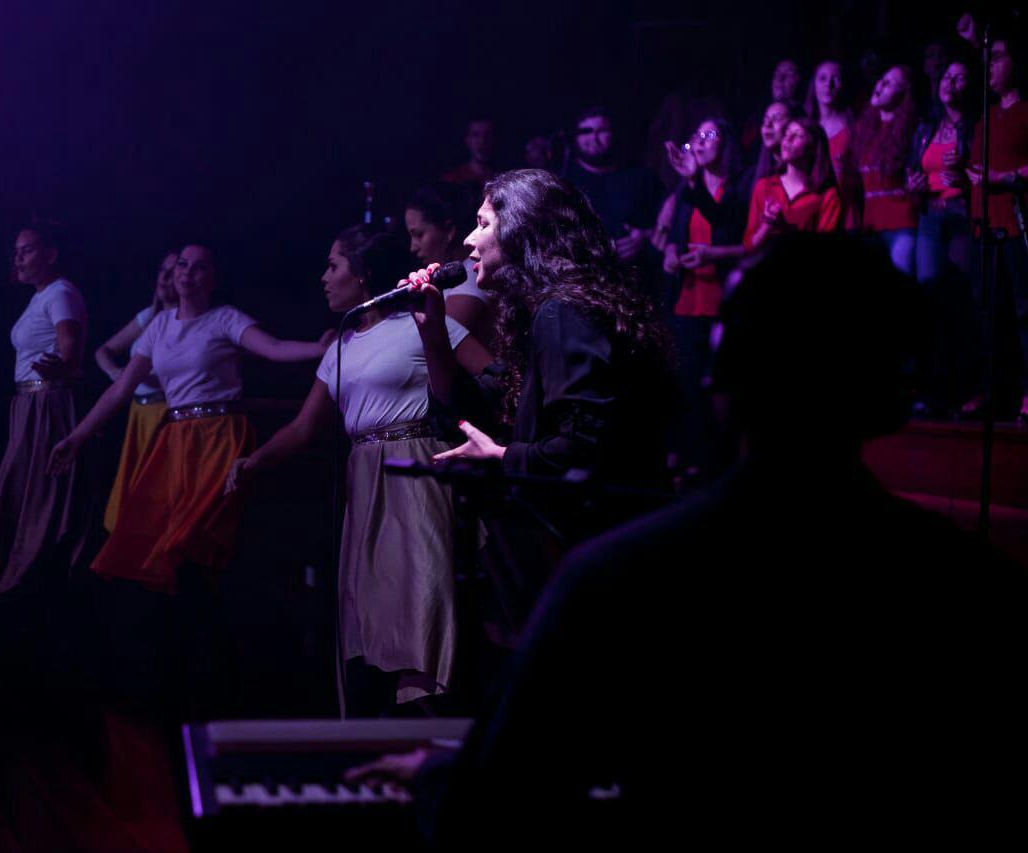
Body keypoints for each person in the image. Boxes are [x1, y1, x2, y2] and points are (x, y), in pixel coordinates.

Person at [352, 234, 1028, 849]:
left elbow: (510, 794)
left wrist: (438, 777)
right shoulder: (975, 587)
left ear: (722, 383)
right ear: (892, 398)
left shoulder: (620, 578)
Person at [225, 226, 492, 715]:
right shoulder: (342, 345)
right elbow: (304, 427)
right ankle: (387, 729)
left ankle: (439, 724)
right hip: (365, 477)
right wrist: (253, 462)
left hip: (416, 466)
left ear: (363, 274)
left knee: (424, 598)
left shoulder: (419, 323)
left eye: (334, 266)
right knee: (374, 612)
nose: (324, 278)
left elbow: (493, 377)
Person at [401, 169, 673, 632]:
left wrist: (501, 457)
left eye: (483, 224)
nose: (468, 240)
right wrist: (433, 333)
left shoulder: (562, 312)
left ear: (524, 231)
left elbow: (584, 446)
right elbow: (476, 407)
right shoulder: (545, 313)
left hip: (593, 554)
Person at [48, 244, 332, 593]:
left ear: (212, 279)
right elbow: (121, 389)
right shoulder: (159, 325)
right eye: (182, 265)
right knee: (164, 542)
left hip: (219, 436)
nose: (186, 273)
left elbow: (273, 348)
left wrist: (320, 348)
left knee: (198, 538)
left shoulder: (224, 318)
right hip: (176, 439)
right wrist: (77, 437)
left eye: (198, 268)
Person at [0, 222, 95, 600]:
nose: (19, 258)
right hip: (28, 403)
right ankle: (13, 573)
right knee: (21, 484)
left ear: (50, 254)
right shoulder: (40, 297)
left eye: (26, 250)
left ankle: (33, 577)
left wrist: (63, 366)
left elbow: (70, 350)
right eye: (16, 252)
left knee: (39, 490)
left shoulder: (61, 294)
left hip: (47, 403)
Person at [662, 118, 750, 479]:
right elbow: (675, 235)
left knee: (719, 389)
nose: (700, 140)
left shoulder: (739, 188)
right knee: (685, 383)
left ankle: (716, 463)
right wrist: (670, 252)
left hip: (721, 300)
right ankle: (687, 457)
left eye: (709, 134)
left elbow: (728, 227)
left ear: (726, 143)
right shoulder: (686, 190)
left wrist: (713, 255)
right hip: (687, 297)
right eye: (696, 134)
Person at [909, 59, 978, 413]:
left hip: (961, 214)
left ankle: (965, 388)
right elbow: (913, 169)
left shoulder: (975, 126)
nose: (950, 82)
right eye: (947, 76)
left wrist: (964, 179)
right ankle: (933, 389)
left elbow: (982, 170)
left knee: (959, 299)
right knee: (929, 299)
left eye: (959, 77)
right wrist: (913, 184)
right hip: (930, 216)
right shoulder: (926, 127)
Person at [95, 250, 178, 532]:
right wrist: (117, 374)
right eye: (162, 270)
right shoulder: (148, 316)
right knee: (132, 491)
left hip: (165, 413)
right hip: (139, 412)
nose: (164, 278)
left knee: (158, 490)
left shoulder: (185, 321)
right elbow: (103, 350)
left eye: (172, 271)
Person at [968, 29, 1028, 420]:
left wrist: (1005, 178)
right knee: (989, 314)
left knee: (1024, 310)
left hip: (1017, 226)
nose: (991, 64)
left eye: (1000, 56)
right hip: (984, 227)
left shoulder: (1025, 111)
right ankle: (994, 391)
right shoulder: (984, 119)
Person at [561, 107, 664, 266]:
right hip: (582, 273)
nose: (594, 138)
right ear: (575, 137)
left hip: (636, 272)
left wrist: (645, 237)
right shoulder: (562, 182)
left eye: (601, 131)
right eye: (586, 131)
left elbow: (669, 224)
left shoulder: (642, 178)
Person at [404, 183, 495, 348]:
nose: (413, 247)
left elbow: (431, 344)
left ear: (449, 230)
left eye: (419, 235)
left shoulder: (475, 271)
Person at [854, 65, 920, 273]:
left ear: (903, 93)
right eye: (881, 79)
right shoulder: (864, 129)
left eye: (889, 82)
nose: (880, 85)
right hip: (870, 227)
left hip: (901, 223)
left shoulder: (911, 130)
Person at [743, 118, 843, 248]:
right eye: (786, 133)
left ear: (813, 148)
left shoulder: (827, 195)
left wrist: (787, 230)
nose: (787, 139)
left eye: (798, 135)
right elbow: (749, 245)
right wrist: (767, 224)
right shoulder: (764, 186)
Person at [806, 60, 858, 204]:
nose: (828, 85)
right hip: (812, 206)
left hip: (844, 206)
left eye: (835, 79)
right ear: (814, 84)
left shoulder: (852, 128)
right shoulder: (805, 128)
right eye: (822, 78)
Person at [442, 118, 498, 186]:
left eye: (487, 135)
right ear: (467, 140)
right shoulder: (453, 180)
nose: (482, 141)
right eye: (475, 135)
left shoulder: (500, 179)